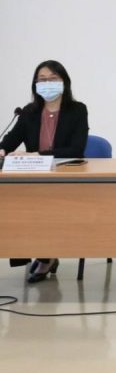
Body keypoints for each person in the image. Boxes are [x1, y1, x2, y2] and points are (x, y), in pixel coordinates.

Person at [0, 60, 89, 283]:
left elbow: (76, 149)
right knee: (16, 203)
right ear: (35, 84)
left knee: (47, 205)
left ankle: (46, 256)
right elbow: (10, 140)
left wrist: (38, 154)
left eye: (53, 79)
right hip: (35, 178)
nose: (47, 83)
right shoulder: (29, 112)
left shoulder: (77, 110)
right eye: (42, 79)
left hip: (66, 177)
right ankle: (37, 253)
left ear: (64, 82)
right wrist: (2, 150)